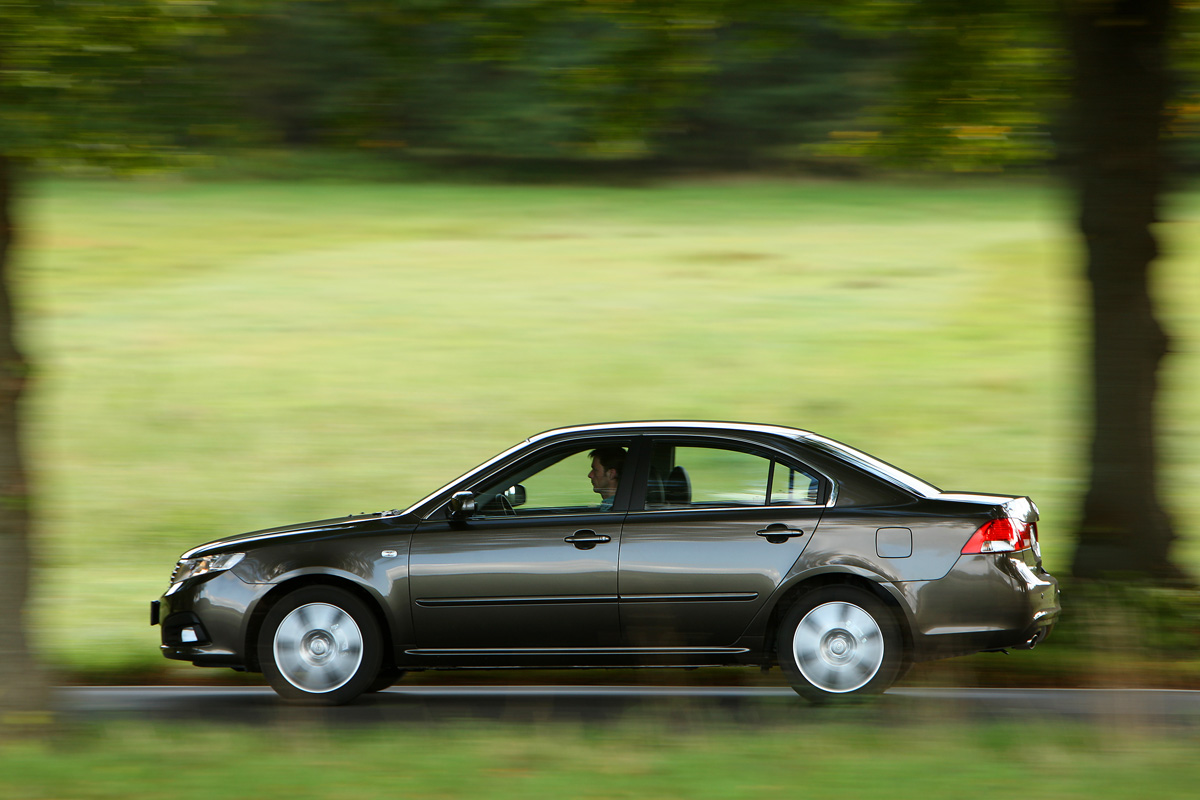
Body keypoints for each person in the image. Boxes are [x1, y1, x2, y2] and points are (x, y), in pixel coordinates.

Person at [588, 446, 626, 511]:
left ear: (611, 474)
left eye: (595, 470)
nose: (590, 475)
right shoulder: (619, 505)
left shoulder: (614, 511)